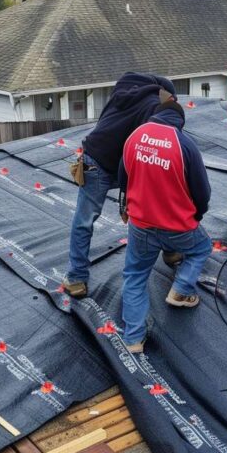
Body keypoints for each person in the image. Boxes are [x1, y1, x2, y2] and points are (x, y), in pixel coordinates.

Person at [64, 72, 177, 299]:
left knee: (84, 221)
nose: (172, 106)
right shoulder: (154, 107)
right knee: (155, 205)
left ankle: (76, 280)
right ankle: (172, 250)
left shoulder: (127, 87)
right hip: (104, 162)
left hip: (96, 156)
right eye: (172, 101)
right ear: (165, 94)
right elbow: (148, 147)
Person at [119, 100, 212, 353]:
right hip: (178, 226)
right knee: (202, 247)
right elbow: (202, 191)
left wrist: (128, 206)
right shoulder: (184, 144)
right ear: (179, 122)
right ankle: (181, 289)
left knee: (135, 276)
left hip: (141, 224)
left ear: (155, 116)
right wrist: (198, 215)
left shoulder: (134, 137)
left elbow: (123, 177)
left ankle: (133, 339)